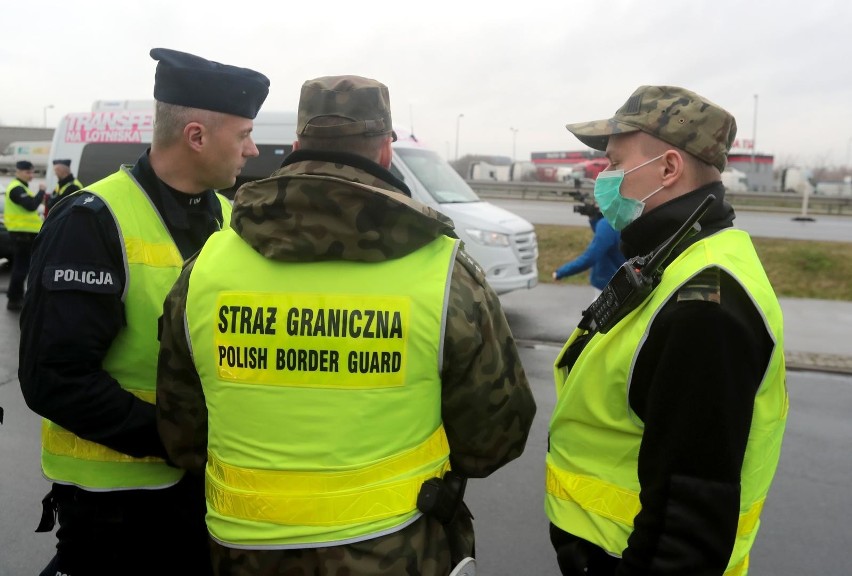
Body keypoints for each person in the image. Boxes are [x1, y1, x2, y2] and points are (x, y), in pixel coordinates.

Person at [155, 74, 537, 576]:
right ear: (385, 152)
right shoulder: (445, 273)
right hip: (396, 549)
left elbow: (182, 435)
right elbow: (494, 440)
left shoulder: (206, 267)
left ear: (295, 147)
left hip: (243, 551)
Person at [18, 47, 270, 576]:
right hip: (116, 512)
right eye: (244, 133)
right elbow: (54, 378)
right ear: (196, 136)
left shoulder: (232, 221)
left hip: (211, 500)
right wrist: (178, 441)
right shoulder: (92, 221)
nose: (253, 148)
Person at [544, 85, 788, 576]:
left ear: (669, 169)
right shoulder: (674, 258)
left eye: (614, 163)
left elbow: (688, 517)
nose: (604, 177)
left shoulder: (705, 301)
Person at [551, 199, 625, 296]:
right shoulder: (620, 219)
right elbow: (606, 238)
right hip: (620, 281)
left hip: (608, 286)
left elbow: (590, 257)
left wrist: (561, 272)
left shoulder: (607, 224)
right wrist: (594, 218)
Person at [5, 159, 45, 310]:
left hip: (25, 233)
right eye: (28, 172)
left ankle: (16, 297)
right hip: (22, 233)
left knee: (22, 267)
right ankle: (14, 300)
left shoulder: (22, 187)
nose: (31, 175)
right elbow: (30, 206)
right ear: (18, 172)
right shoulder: (17, 188)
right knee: (21, 268)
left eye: (32, 172)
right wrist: (41, 191)